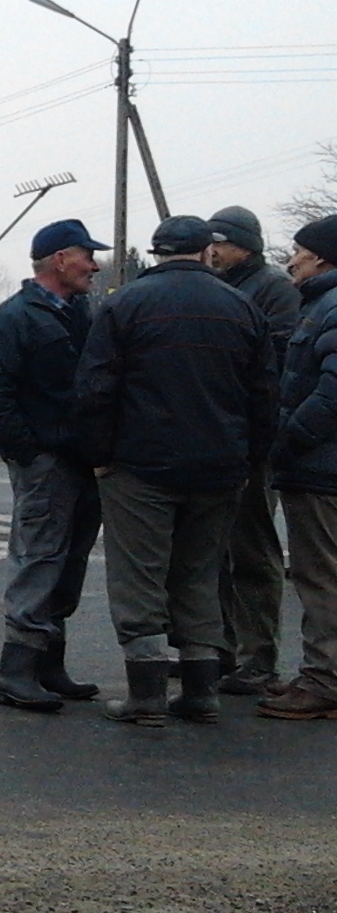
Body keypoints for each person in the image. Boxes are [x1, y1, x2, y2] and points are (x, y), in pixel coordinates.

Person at [76, 216, 275, 726]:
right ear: (207, 251)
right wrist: (250, 459)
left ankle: (146, 694)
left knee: (139, 576)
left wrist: (99, 455)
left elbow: (96, 387)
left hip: (140, 465)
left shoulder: (125, 303)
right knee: (199, 575)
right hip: (219, 467)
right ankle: (201, 690)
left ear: (157, 252)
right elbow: (263, 395)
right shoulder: (241, 307)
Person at [0, 220, 108, 713]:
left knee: (69, 562)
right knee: (39, 558)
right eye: (87, 255)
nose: (94, 265)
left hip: (81, 460)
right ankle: (16, 672)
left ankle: (50, 665)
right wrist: (29, 452)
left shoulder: (79, 314)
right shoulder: (16, 317)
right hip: (47, 462)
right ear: (60, 260)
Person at [206, 206, 304, 695]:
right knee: (213, 551)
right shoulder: (220, 287)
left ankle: (259, 657)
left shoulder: (273, 290)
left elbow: (274, 367)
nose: (212, 250)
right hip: (219, 437)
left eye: (221, 242)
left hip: (253, 439)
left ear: (245, 245)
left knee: (252, 548)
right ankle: (218, 650)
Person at [257, 216, 337, 720]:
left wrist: (287, 442)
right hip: (319, 465)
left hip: (321, 469)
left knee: (321, 576)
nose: (292, 261)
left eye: (300, 252)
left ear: (323, 257)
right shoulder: (320, 305)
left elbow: (331, 394)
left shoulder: (331, 307)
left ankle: (325, 681)